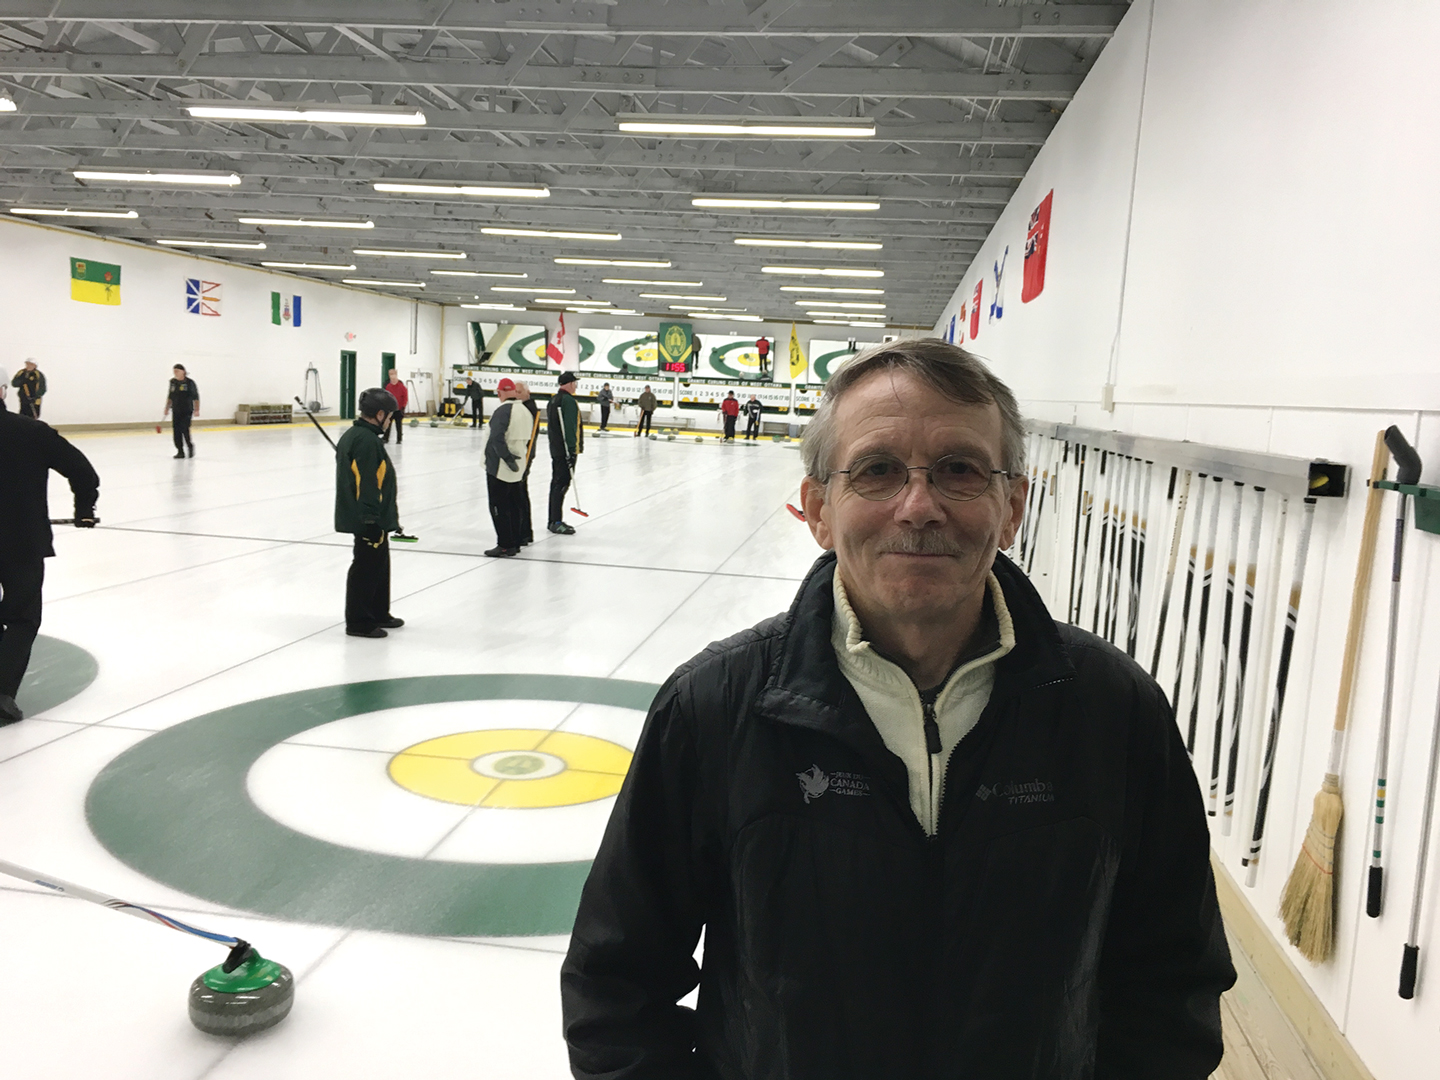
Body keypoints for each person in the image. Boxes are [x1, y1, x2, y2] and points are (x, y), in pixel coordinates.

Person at [562, 339, 1234, 1078]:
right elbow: (617, 988)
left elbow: (1171, 984)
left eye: (960, 470)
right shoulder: (715, 708)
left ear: (1012, 507)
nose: (920, 506)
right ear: (819, 509)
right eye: (878, 470)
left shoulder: (1114, 711)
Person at [0, 377, 99, 724]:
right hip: (23, 542)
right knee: (22, 618)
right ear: (3, 392)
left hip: (22, 541)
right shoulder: (32, 432)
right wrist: (84, 509)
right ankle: (3, 692)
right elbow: (82, 471)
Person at [335, 388, 406, 638]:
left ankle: (378, 612)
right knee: (366, 567)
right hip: (367, 517)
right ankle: (359, 621)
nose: (391, 422)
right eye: (389, 417)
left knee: (379, 565)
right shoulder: (365, 441)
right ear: (379, 414)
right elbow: (367, 483)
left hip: (375, 515)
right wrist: (370, 519)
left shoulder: (361, 436)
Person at [483, 378, 532, 557]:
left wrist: (507, 458)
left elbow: (497, 438)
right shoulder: (525, 411)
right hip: (519, 466)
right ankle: (516, 541)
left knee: (499, 507)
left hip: (500, 467)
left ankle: (505, 544)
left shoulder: (503, 410)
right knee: (514, 505)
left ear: (500, 392)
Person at [546, 372, 583, 535]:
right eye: (574, 383)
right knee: (561, 485)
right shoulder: (568, 401)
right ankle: (556, 521)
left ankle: (553, 519)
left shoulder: (553, 400)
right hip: (565, 451)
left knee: (556, 484)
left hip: (556, 449)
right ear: (568, 383)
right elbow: (569, 427)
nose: (576, 386)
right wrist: (572, 450)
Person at [514, 381, 541, 547]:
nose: (516, 394)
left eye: (519, 391)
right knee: (520, 492)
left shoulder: (528, 410)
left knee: (519, 493)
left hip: (524, 456)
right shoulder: (524, 408)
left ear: (527, 393)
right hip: (523, 455)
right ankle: (524, 532)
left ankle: (523, 532)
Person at [163, 364, 199, 459]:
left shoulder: (190, 383)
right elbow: (170, 396)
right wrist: (167, 408)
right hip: (176, 410)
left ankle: (189, 446)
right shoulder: (173, 382)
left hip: (187, 410)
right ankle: (180, 451)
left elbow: (196, 397)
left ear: (183, 371)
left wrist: (197, 409)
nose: (175, 373)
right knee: (176, 431)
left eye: (177, 371)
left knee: (184, 429)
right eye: (174, 371)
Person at [382, 369, 408, 444]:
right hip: (390, 409)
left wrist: (403, 406)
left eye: (394, 378)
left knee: (398, 424)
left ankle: (399, 439)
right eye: (391, 378)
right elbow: (386, 396)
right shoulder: (388, 386)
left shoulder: (402, 387)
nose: (392, 380)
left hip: (399, 409)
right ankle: (386, 438)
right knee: (388, 424)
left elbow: (405, 397)